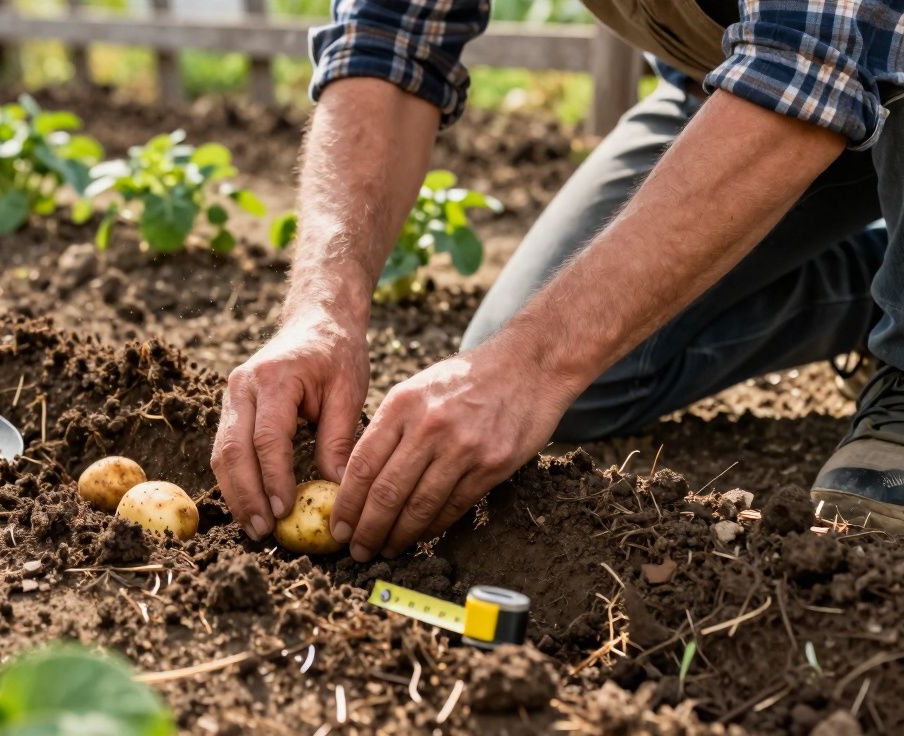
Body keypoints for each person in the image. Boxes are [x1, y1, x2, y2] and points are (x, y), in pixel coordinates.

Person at [210, 0, 904, 561]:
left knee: (535, 367)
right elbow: (387, 35)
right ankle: (882, 286)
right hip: (734, 86)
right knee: (574, 381)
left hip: (833, 72)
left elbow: (809, 60)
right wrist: (320, 310)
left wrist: (531, 364)